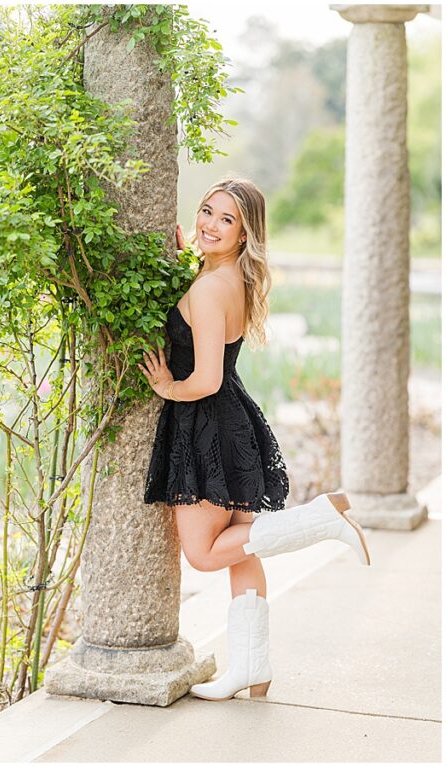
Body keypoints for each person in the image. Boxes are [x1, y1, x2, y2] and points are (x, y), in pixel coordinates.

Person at [139, 177, 370, 702]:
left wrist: (166, 386)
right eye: (207, 212)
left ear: (245, 235)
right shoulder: (225, 279)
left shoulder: (207, 287)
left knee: (203, 554)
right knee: (240, 552)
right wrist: (187, 261)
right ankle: (251, 667)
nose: (210, 225)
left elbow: (207, 380)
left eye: (226, 220)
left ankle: (318, 520)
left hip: (206, 423)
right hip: (232, 423)